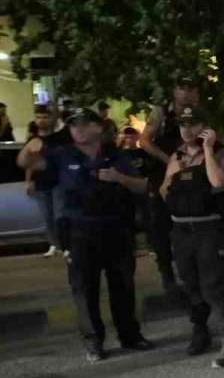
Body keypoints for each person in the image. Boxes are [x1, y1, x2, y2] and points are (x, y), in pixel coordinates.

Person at [25, 109, 153, 362]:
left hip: (116, 229)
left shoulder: (116, 156)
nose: (78, 130)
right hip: (80, 231)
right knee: (85, 290)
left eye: (84, 125)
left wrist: (119, 178)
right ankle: (93, 342)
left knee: (123, 287)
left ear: (98, 127)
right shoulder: (62, 156)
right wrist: (31, 149)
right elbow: (29, 165)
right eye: (73, 126)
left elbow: (143, 185)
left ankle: (130, 336)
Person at [162, 105, 224, 368]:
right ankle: (200, 332)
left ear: (205, 128)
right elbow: (164, 190)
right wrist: (174, 176)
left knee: (213, 287)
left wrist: (207, 150)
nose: (186, 129)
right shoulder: (177, 155)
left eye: (193, 124)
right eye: (183, 124)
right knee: (191, 284)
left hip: (208, 229)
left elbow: (218, 182)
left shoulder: (219, 153)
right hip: (181, 230)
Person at [140, 81, 198, 291]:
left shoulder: (199, 112)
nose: (186, 96)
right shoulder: (161, 113)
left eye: (190, 91)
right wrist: (168, 160)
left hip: (192, 175)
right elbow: (144, 141)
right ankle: (167, 273)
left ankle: (190, 270)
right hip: (163, 174)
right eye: (183, 90)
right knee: (160, 226)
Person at [17, 103, 65, 256]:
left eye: (45, 117)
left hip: (58, 182)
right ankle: (54, 245)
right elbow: (29, 163)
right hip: (40, 184)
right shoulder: (32, 140)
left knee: (60, 216)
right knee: (47, 217)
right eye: (38, 117)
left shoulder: (59, 139)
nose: (41, 120)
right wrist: (28, 181)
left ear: (52, 119)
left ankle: (65, 245)